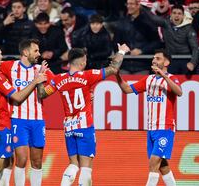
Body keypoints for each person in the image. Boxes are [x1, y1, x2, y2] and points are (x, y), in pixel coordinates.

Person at [38, 44, 130, 186]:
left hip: (69, 127)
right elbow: (114, 68)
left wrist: (39, 79)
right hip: (84, 125)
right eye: (85, 60)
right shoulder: (88, 75)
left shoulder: (59, 79)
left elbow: (42, 94)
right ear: (82, 62)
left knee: (74, 164)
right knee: (86, 167)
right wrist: (122, 51)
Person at [0, 39, 55, 186]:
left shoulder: (41, 69)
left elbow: (58, 82)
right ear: (25, 52)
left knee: (37, 160)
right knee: (21, 159)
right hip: (17, 120)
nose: (39, 54)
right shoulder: (9, 66)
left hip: (37, 120)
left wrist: (46, 91)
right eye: (36, 51)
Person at [115, 49, 182, 186]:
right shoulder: (148, 79)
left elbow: (179, 92)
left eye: (158, 58)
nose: (154, 61)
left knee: (153, 163)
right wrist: (117, 75)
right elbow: (127, 89)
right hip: (151, 129)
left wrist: (164, 76)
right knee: (163, 166)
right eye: (153, 58)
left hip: (165, 128)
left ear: (166, 62)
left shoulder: (171, 78)